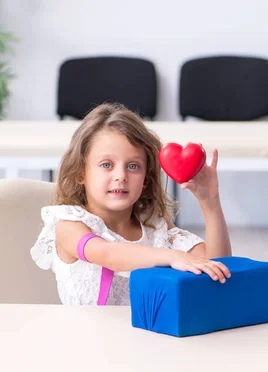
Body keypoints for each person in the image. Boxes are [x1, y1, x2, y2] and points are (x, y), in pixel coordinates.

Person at [30, 103, 232, 305]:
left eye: (133, 166)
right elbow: (107, 253)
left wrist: (210, 203)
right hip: (88, 336)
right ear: (81, 173)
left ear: (145, 178)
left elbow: (218, 269)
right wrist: (172, 257)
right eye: (106, 165)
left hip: (149, 336)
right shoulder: (69, 225)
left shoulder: (155, 226)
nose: (121, 176)